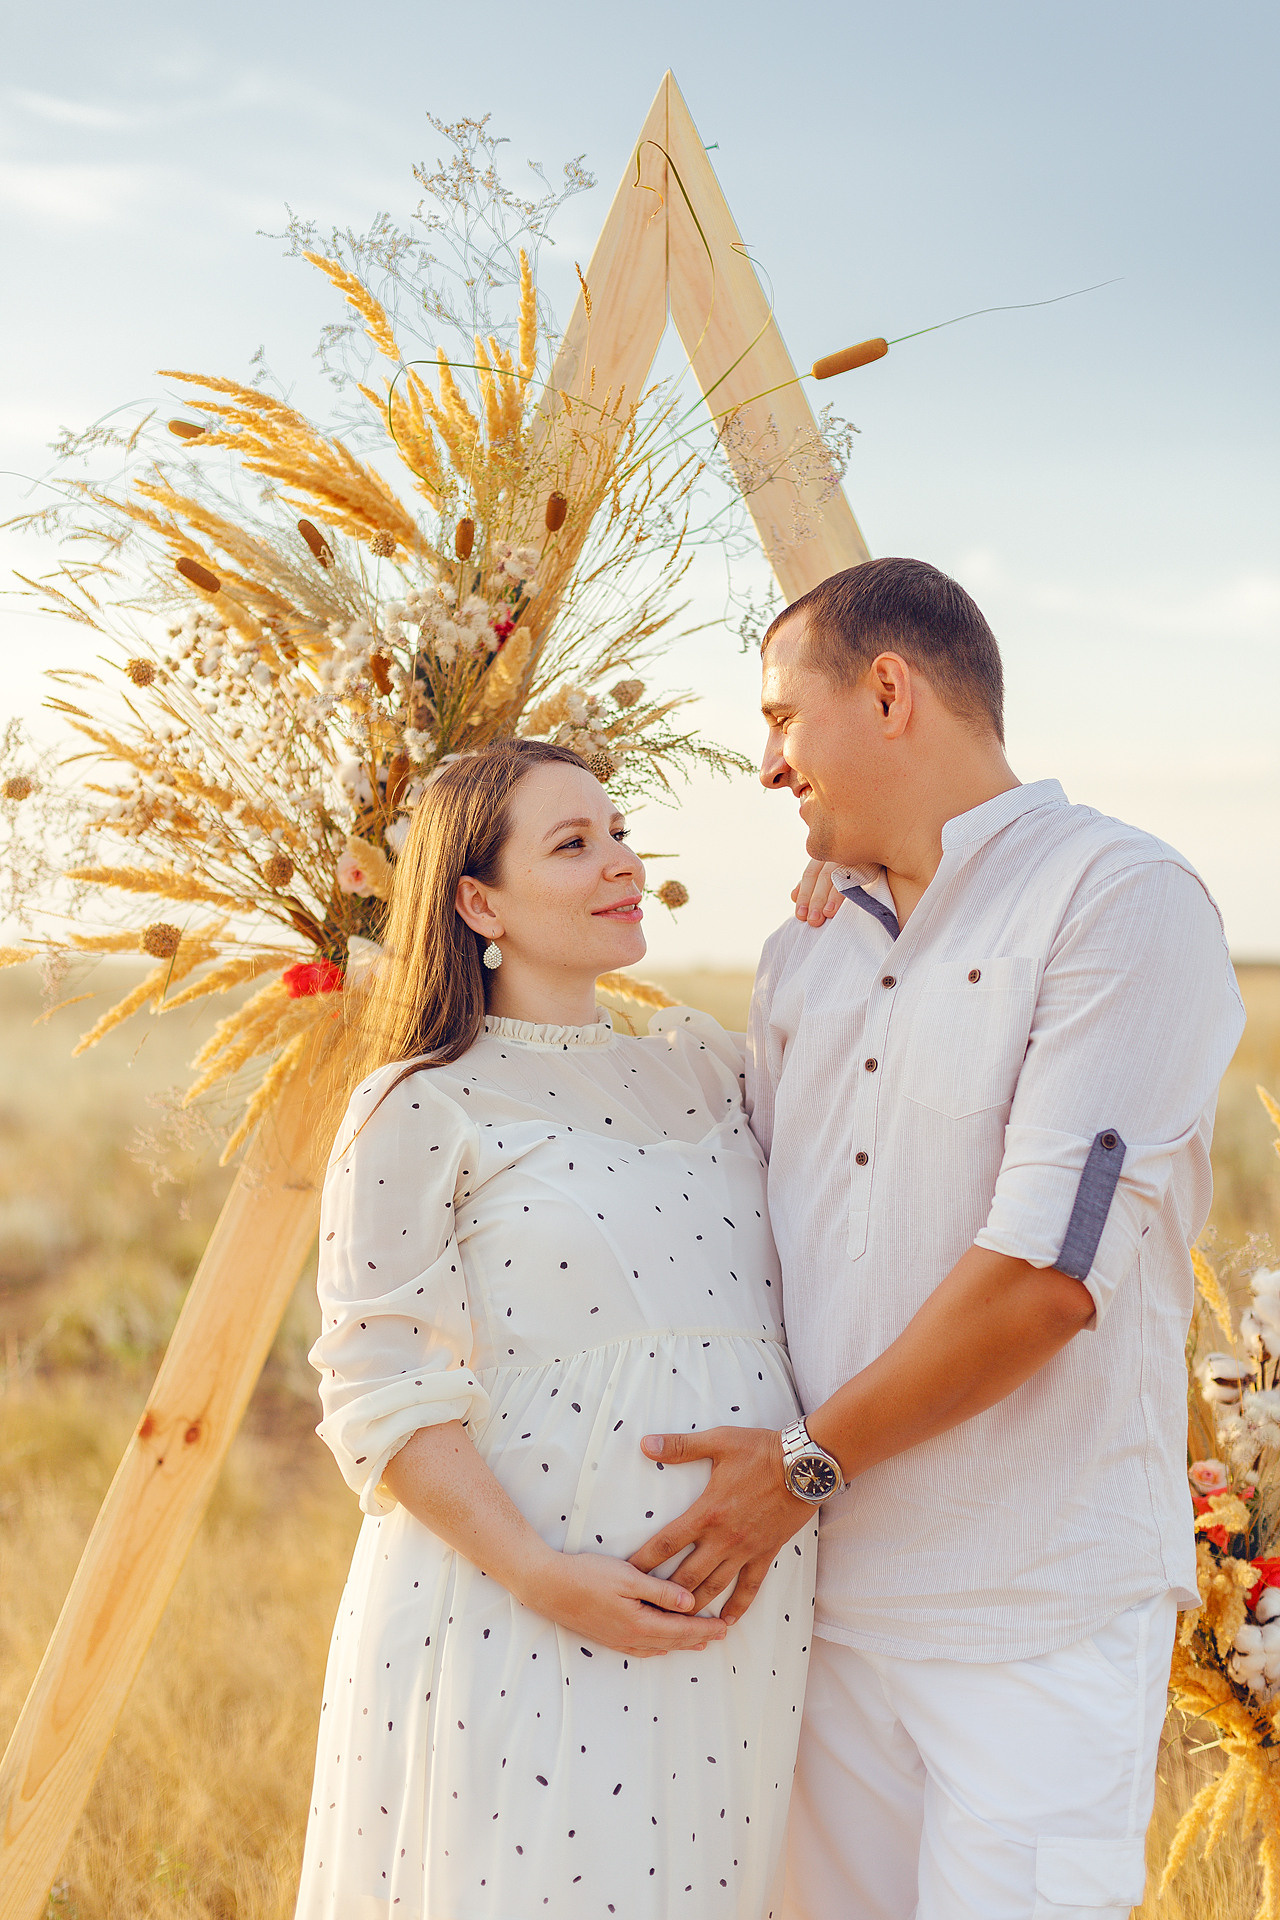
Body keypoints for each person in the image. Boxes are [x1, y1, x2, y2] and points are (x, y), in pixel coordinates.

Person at [629, 558, 1246, 1920]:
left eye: (785, 717)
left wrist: (793, 1472)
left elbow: (1040, 1284)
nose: (769, 762)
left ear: (891, 690)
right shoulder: (806, 953)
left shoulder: (1118, 901)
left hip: (1033, 1620)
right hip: (819, 1611)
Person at [293, 739, 817, 1920]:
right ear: (478, 901)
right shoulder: (419, 1098)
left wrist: (840, 913)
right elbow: (374, 1384)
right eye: (572, 845)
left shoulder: (702, 1064)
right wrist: (541, 1575)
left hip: (740, 1605)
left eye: (619, 833)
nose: (621, 864)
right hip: (525, 1605)